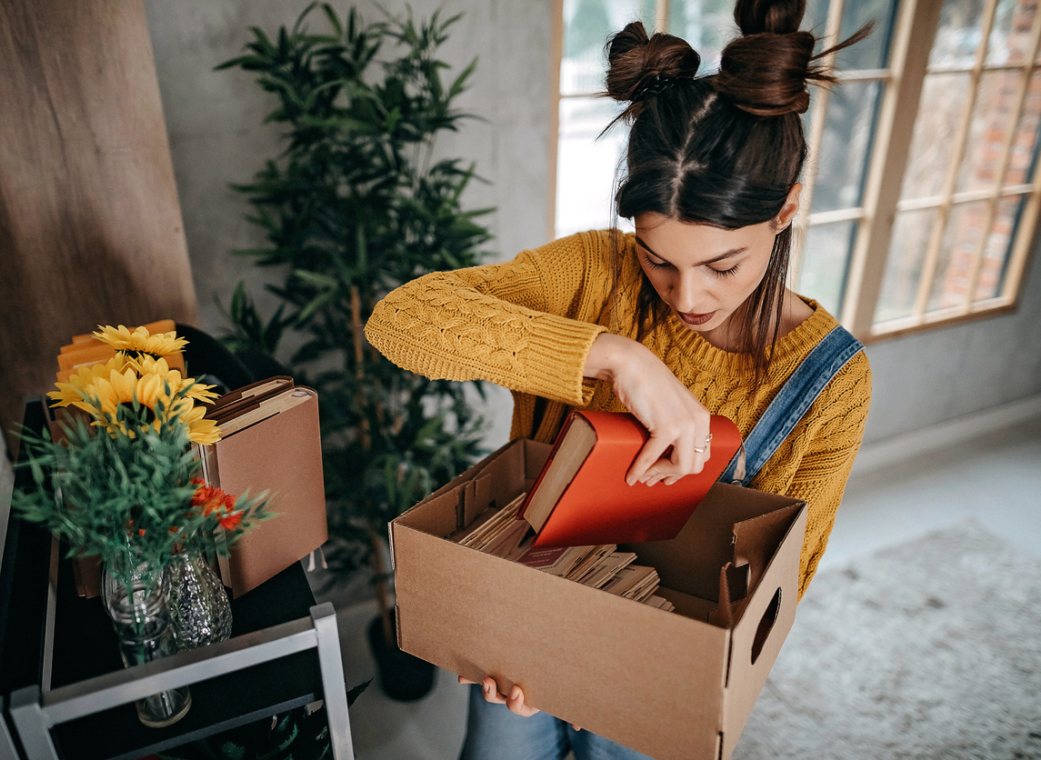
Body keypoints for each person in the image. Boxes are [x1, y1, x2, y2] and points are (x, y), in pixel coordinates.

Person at [364, 0, 873, 757]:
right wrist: (616, 356)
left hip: (660, 672)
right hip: (522, 638)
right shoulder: (594, 272)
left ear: (787, 211)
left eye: (721, 264)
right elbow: (400, 321)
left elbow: (780, 580)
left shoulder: (831, 382)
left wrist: (657, 665)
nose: (688, 297)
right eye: (659, 259)